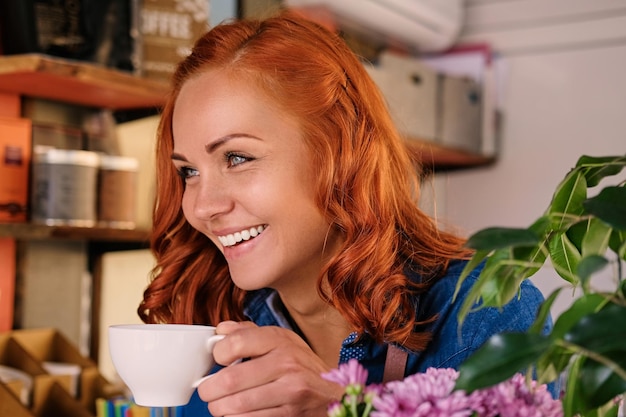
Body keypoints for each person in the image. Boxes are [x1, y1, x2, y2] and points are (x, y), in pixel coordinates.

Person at [137, 10, 554, 417]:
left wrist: (341, 407)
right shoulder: (213, 322)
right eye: (188, 171)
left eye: (238, 157)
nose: (203, 206)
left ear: (338, 154)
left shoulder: (486, 311)